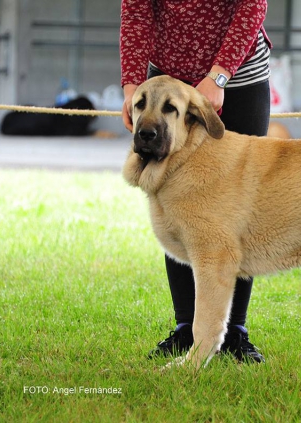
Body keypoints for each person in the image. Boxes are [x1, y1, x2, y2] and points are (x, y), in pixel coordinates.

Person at [119, 0, 271, 363]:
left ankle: (234, 332)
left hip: (235, 81)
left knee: (237, 211)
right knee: (177, 205)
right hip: (166, 86)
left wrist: (219, 77)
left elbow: (251, 6)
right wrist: (131, 88)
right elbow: (136, 13)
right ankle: (187, 328)